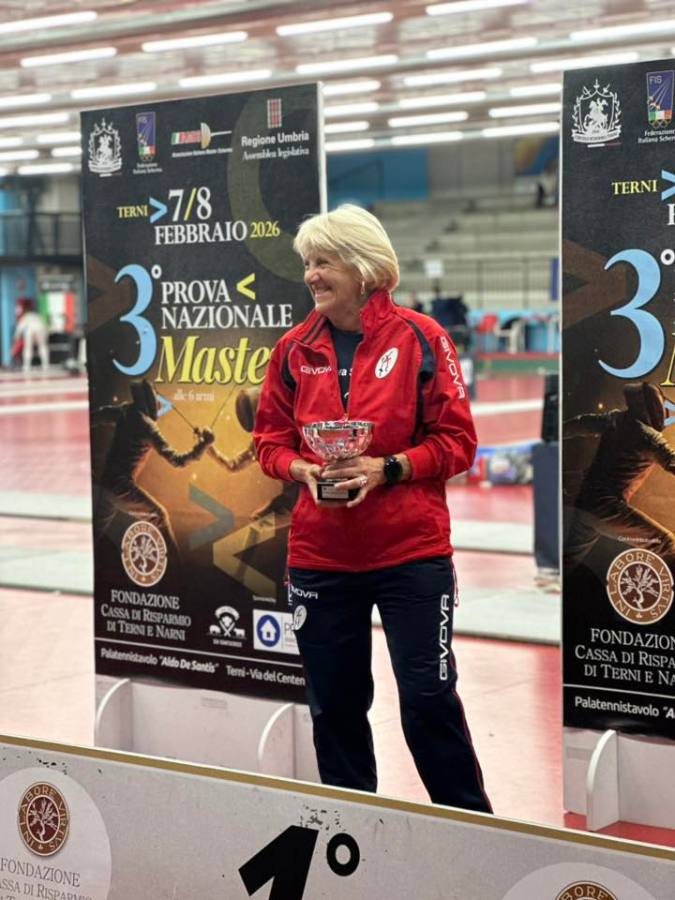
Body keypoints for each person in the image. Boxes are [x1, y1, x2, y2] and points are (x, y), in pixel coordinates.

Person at [253, 204, 492, 813]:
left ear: (362, 267)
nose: (311, 274)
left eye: (323, 261)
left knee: (429, 701)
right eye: (307, 262)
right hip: (320, 557)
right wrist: (302, 468)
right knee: (334, 706)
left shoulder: (422, 338)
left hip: (410, 554)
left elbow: (459, 443)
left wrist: (386, 469)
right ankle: (351, 839)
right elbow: (268, 442)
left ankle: (474, 832)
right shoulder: (291, 350)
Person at [93, 379, 214, 551]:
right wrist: (203, 445)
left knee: (93, 534)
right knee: (160, 517)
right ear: (149, 401)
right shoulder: (147, 427)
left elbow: (98, 415)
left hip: (105, 483)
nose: (158, 404)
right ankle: (176, 570)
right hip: (119, 487)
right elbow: (177, 461)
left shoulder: (125, 410)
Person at [565, 381, 675, 569]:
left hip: (584, 503)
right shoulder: (648, 437)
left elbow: (580, 423)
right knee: (667, 544)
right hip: (606, 509)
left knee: (566, 561)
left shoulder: (614, 420)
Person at [13, 297, 49, 371]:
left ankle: (27, 366)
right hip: (40, 329)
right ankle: (45, 365)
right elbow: (45, 326)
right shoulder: (38, 316)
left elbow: (20, 327)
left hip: (30, 330)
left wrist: (16, 336)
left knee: (28, 348)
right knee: (42, 347)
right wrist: (46, 336)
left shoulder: (26, 316)